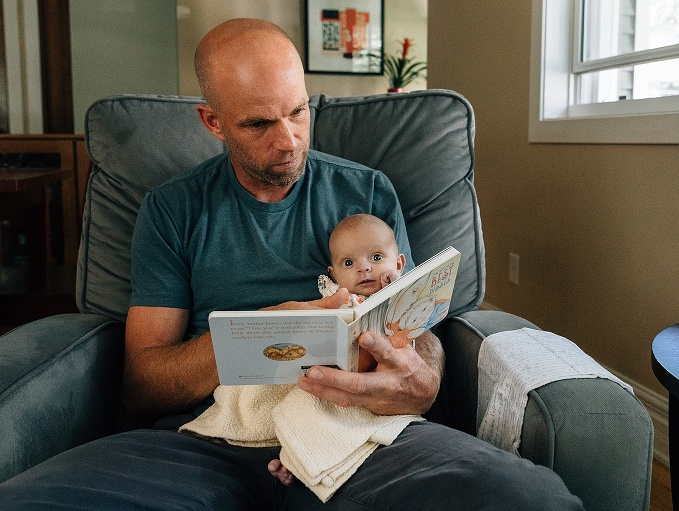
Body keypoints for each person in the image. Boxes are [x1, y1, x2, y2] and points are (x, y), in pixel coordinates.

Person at [0, 18, 584, 510]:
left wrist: (421, 378)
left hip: (357, 432)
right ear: (213, 122)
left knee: (529, 497)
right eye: (259, 123)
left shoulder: (368, 193)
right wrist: (263, 332)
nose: (289, 141)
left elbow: (417, 328)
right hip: (210, 436)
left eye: (298, 113)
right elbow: (142, 384)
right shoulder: (172, 209)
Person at [318, 213, 406, 307]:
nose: (363, 268)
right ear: (334, 275)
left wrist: (398, 287)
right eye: (348, 263)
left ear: (398, 265)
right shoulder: (331, 294)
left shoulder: (406, 291)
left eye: (377, 257)